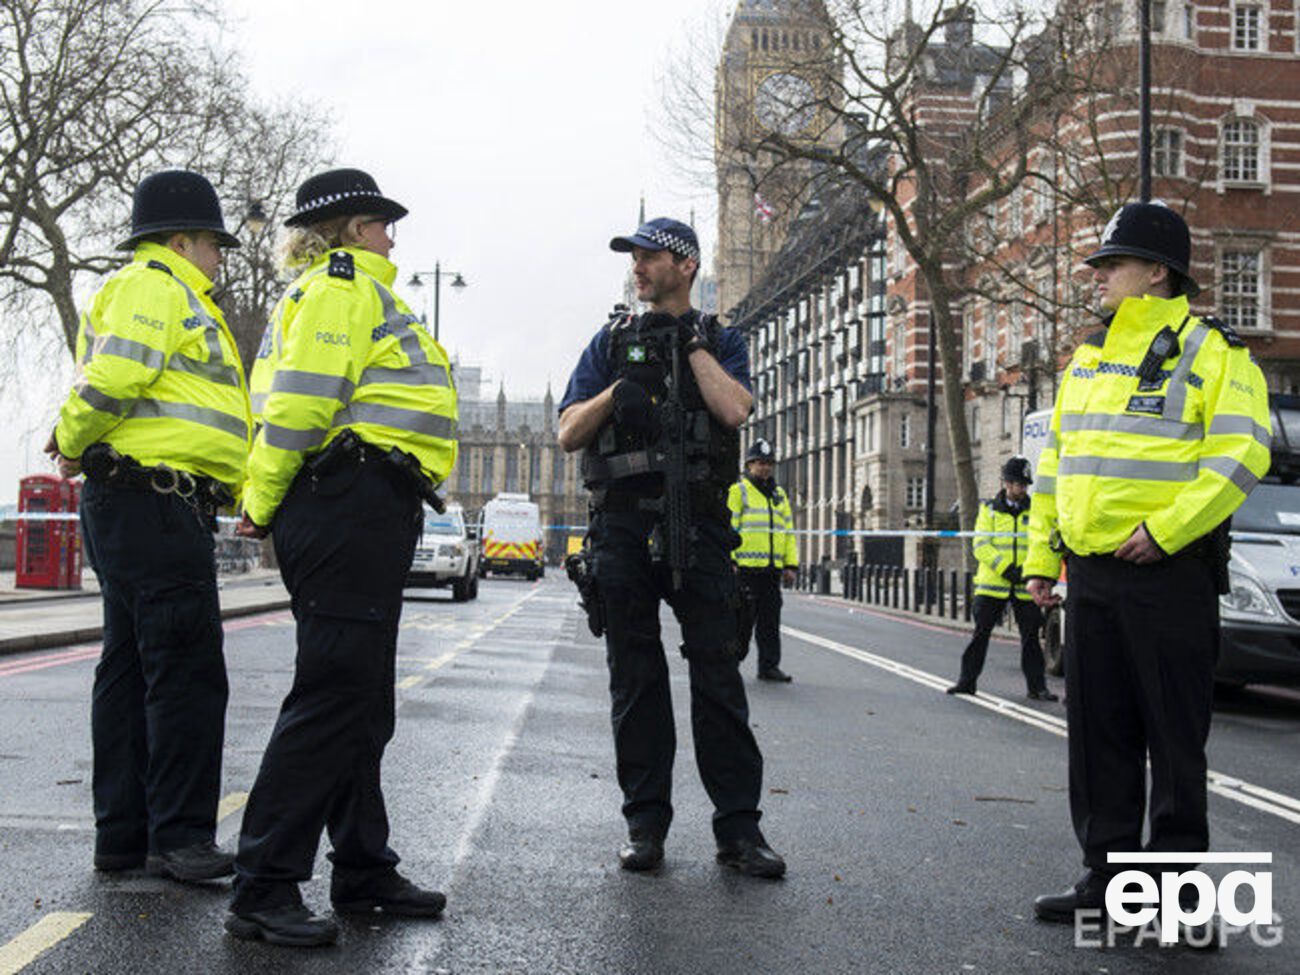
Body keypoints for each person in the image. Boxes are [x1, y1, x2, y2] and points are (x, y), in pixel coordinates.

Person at [225, 169, 458, 947]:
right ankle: (263, 882)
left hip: (370, 501)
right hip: (344, 500)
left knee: (363, 699)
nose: (393, 237)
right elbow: (298, 405)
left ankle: (361, 866)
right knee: (332, 695)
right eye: (383, 224)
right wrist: (259, 501)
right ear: (354, 228)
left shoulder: (356, 291)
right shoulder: (340, 288)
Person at [1024, 201, 1271, 925]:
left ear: (1157, 272)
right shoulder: (1089, 359)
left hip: (1169, 572)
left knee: (1171, 733)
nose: (1096, 276)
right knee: (1098, 732)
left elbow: (1242, 453)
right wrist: (1044, 556)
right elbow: (1056, 468)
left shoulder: (1213, 352)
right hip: (1092, 575)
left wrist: (1165, 531)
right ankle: (1107, 878)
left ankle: (1167, 891)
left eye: (1112, 264)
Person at [558, 217, 785, 879]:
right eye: (634, 257)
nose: (638, 266)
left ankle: (739, 832)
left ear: (684, 265)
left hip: (701, 527)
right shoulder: (609, 340)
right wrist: (612, 394)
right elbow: (570, 430)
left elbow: (735, 409)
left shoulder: (721, 339)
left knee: (718, 679)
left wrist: (687, 346)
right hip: (623, 529)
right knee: (636, 680)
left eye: (649, 256)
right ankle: (644, 825)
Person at [44, 170, 251, 883]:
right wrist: (71, 441)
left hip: (140, 502)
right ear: (182, 239)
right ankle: (180, 836)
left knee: (130, 669)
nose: (220, 257)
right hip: (154, 503)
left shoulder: (164, 293)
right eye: (213, 244)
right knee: (186, 673)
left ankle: (125, 836)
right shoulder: (155, 288)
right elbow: (111, 382)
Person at [946, 456, 1057, 701]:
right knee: (980, 635)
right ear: (1007, 483)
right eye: (1019, 484)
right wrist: (1008, 569)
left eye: (1026, 485)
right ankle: (966, 682)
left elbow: (1041, 543)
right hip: (992, 585)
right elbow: (981, 545)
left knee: (1031, 639)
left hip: (1025, 586)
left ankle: (1037, 688)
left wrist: (1031, 572)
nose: (1023, 489)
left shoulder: (1035, 510)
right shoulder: (989, 510)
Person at [728, 438, 798, 682]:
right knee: (742, 623)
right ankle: (730, 665)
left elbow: (788, 532)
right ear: (749, 465)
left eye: (769, 463)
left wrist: (790, 565)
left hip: (771, 571)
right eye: (760, 463)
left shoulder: (779, 495)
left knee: (770, 623)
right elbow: (730, 528)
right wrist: (730, 560)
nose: (765, 467)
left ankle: (768, 666)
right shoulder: (739, 491)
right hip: (745, 571)